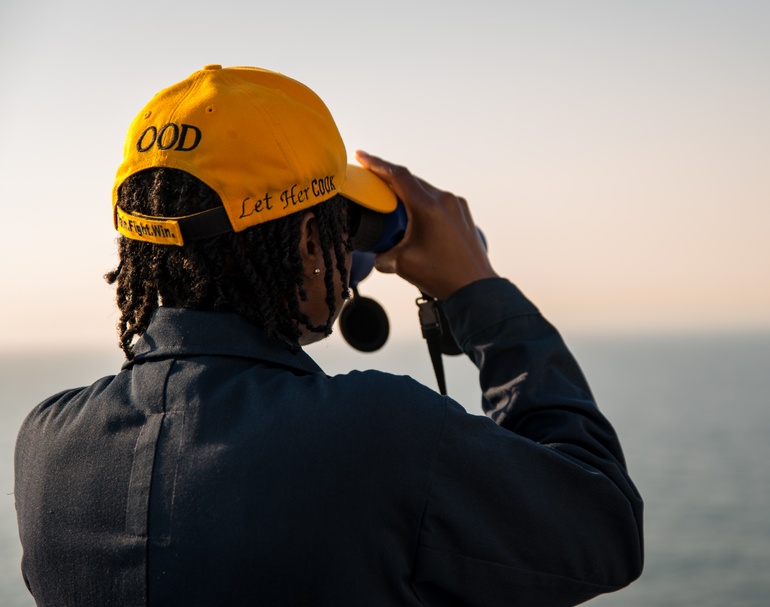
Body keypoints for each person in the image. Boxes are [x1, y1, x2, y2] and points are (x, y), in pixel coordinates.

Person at [14, 65, 643, 606]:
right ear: (312, 242)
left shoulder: (46, 446)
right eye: (340, 231)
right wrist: (477, 290)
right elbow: (603, 526)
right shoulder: (381, 436)